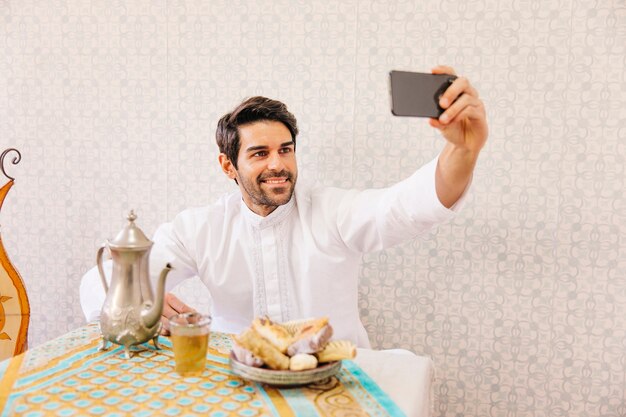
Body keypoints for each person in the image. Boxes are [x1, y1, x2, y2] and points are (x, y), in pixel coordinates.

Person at [80, 65, 488, 348]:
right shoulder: (201, 229)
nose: (277, 164)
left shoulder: (332, 212)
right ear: (228, 166)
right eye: (259, 153)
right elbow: (104, 280)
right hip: (238, 388)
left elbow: (405, 207)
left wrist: (463, 151)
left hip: (338, 387)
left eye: (285, 150)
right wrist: (137, 301)